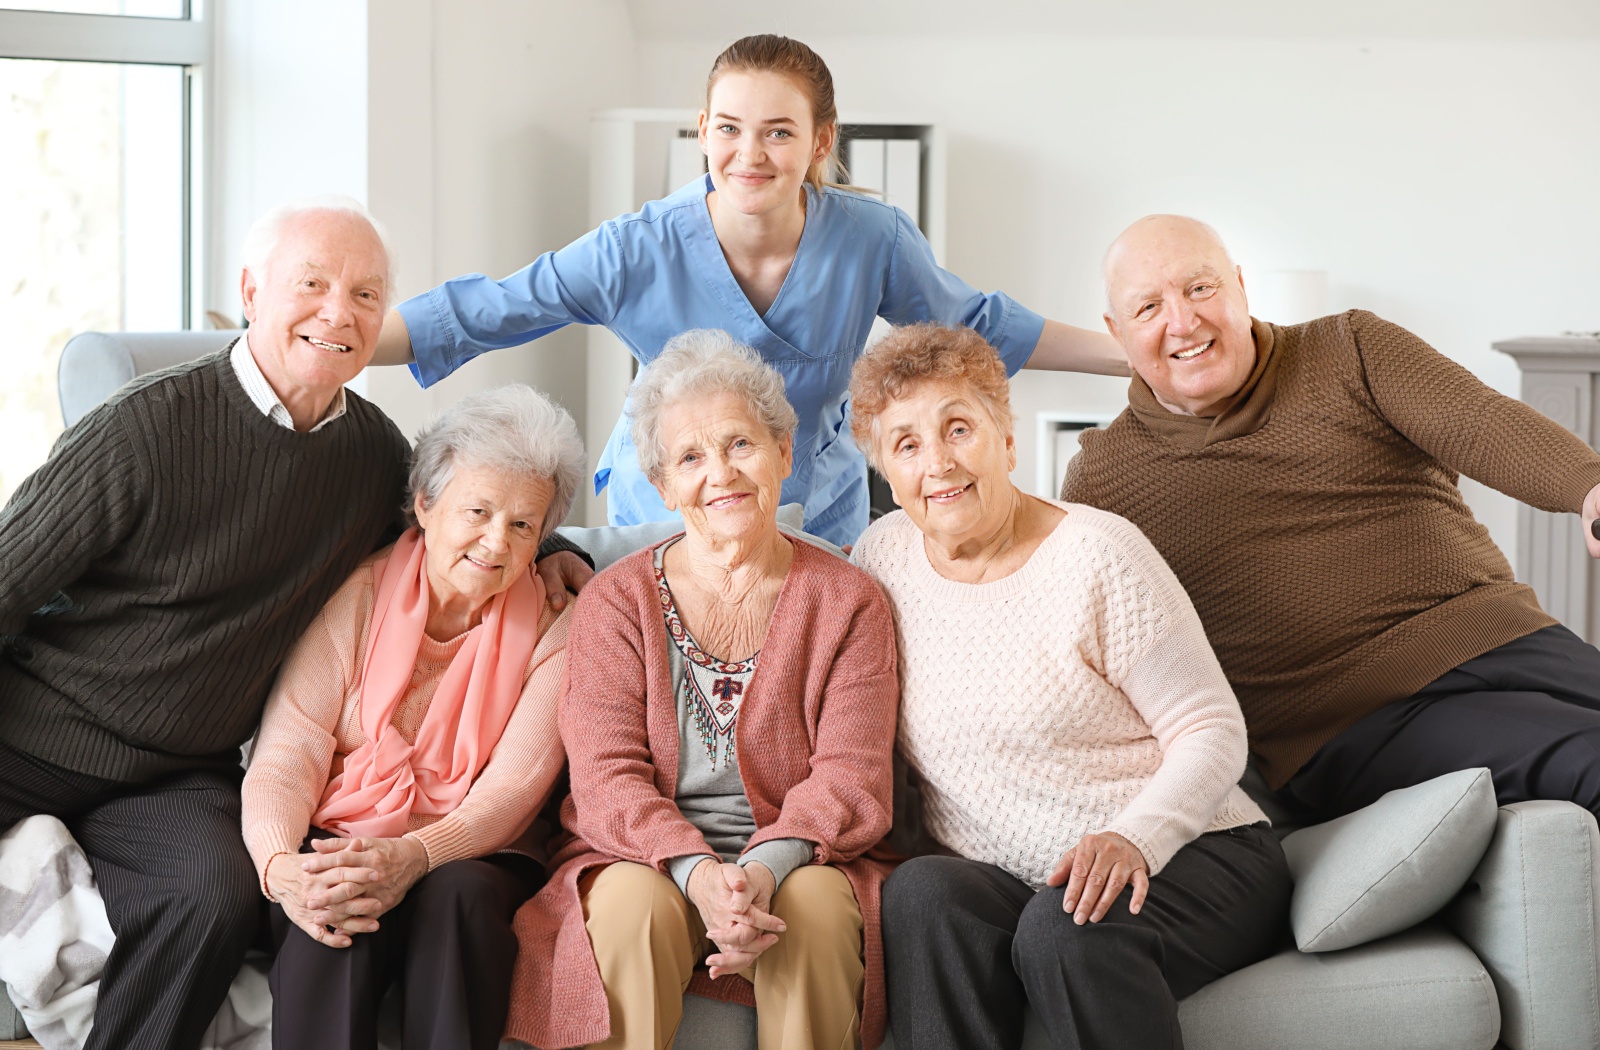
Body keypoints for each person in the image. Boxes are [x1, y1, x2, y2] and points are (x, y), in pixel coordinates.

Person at [0, 196, 586, 1050]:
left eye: (364, 295)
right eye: (310, 284)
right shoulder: (145, 428)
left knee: (217, 892)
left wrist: (563, 549)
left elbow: (472, 510)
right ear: (249, 289)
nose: (337, 313)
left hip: (171, 771)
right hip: (33, 737)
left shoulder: (372, 455)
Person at [371, 33, 1127, 548]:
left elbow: (978, 326)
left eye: (778, 132)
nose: (750, 154)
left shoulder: (871, 238)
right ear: (702, 130)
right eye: (729, 128)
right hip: (670, 508)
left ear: (821, 141)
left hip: (814, 509)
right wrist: (324, 347)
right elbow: (488, 310)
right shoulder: (637, 248)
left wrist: (1138, 357)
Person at [1062, 214, 1600, 821]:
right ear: (1116, 331)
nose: (1183, 322)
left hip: (1505, 637)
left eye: (1200, 288)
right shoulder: (1103, 481)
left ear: (1239, 286)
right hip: (1351, 725)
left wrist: (1588, 485)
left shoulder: (1349, 348)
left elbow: (1479, 421)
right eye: (1149, 308)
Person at [849, 324, 1290, 1050]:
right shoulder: (881, 559)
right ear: (887, 477)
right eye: (907, 444)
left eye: (959, 427)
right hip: (1016, 878)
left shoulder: (1098, 554)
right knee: (922, 894)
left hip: (1187, 853)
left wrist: (1132, 839)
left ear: (1007, 438)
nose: (938, 463)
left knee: (1070, 928)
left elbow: (1211, 728)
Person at [503, 331, 900, 1050]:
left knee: (810, 908)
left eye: (740, 445)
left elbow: (852, 773)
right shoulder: (616, 602)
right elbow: (606, 777)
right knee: (629, 906)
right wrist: (697, 874)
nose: (721, 473)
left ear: (783, 454)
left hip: (802, 857)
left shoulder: (849, 600)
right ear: (662, 485)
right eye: (691, 457)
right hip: (644, 858)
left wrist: (757, 871)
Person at [241, 384, 584, 1050]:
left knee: (458, 898)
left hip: (478, 850)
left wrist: (415, 853)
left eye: (522, 525)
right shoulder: (357, 596)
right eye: (478, 511)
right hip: (342, 830)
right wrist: (284, 869)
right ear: (425, 505)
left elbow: (515, 789)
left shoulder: (559, 627)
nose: (495, 542)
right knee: (335, 899)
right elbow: (289, 751)